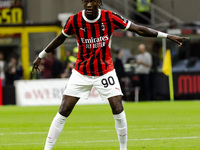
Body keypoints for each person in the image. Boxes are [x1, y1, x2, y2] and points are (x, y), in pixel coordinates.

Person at [32, 0, 188, 149]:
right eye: (85, 1)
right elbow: (60, 38)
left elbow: (139, 29)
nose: (88, 4)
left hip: (105, 71)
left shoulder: (110, 17)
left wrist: (166, 36)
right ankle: (47, 148)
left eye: (92, 1)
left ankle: (123, 148)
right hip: (81, 72)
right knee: (64, 108)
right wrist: (41, 55)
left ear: (99, 2)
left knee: (117, 107)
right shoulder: (75, 20)